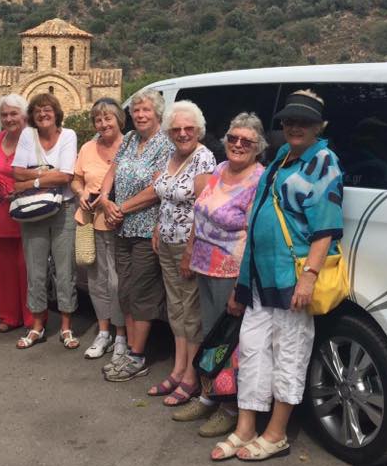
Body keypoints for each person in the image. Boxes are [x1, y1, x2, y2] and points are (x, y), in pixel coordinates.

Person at [211, 90, 344, 462]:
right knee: (252, 351)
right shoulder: (282, 158)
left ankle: (276, 433)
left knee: (289, 353)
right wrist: (242, 283)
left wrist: (309, 277)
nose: (295, 127)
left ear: (319, 126)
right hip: (260, 280)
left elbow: (325, 228)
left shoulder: (323, 162)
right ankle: (246, 427)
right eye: (289, 121)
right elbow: (256, 222)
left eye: (304, 122)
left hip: (291, 278)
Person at [173, 113, 266, 437]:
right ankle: (208, 395)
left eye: (246, 141)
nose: (238, 144)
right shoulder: (220, 169)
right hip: (204, 265)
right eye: (233, 138)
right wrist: (189, 250)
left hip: (231, 271)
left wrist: (242, 285)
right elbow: (200, 213)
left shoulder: (259, 180)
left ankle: (230, 408)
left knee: (231, 342)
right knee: (211, 336)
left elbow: (255, 236)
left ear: (258, 147)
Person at [99, 90, 174, 382]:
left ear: (158, 114)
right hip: (122, 227)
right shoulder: (130, 139)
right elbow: (112, 170)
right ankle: (129, 351)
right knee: (126, 291)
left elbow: (157, 189)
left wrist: (121, 207)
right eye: (137, 110)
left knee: (142, 292)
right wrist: (105, 199)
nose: (140, 115)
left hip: (146, 230)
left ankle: (137, 356)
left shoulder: (166, 144)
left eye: (146, 110)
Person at [148, 101, 216, 405]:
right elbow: (164, 197)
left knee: (191, 311)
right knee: (175, 308)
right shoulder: (171, 155)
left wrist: (190, 250)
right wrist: (157, 227)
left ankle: (191, 375)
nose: (183, 133)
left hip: (190, 245)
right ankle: (177, 368)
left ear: (198, 130)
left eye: (189, 128)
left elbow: (203, 208)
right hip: (166, 242)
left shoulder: (203, 158)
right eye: (176, 129)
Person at [11, 93, 79, 350]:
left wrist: (33, 180)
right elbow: (16, 172)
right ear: (32, 115)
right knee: (35, 269)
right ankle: (37, 325)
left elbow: (65, 176)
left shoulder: (68, 135)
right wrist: (48, 172)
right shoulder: (27, 136)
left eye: (48, 109)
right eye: (37, 110)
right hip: (34, 211)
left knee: (65, 269)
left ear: (56, 112)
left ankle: (66, 326)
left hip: (63, 208)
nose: (43, 114)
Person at [71, 97, 127, 359]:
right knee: (96, 281)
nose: (103, 124)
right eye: (98, 119)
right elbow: (76, 179)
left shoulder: (130, 146)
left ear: (119, 120)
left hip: (119, 223)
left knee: (117, 282)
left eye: (108, 118)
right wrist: (81, 192)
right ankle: (103, 332)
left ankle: (121, 334)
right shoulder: (87, 148)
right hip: (90, 221)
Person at [0, 94, 35, 333]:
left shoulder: (34, 139)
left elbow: (44, 171)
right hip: (0, 211)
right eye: (4, 115)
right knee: (5, 266)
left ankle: (32, 317)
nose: (9, 119)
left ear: (24, 115)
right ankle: (9, 316)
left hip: (28, 210)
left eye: (14, 114)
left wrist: (21, 188)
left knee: (28, 265)